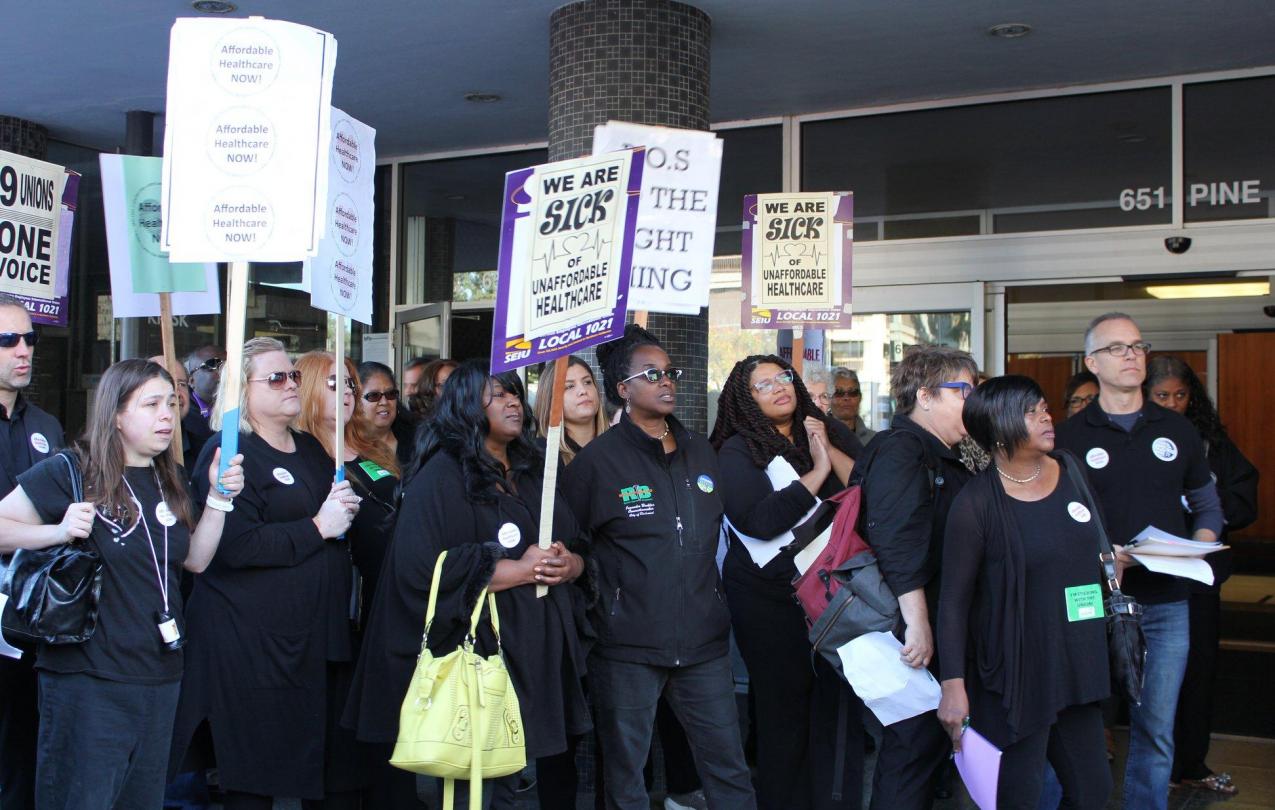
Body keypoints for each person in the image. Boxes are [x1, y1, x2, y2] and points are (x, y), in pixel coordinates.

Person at [345, 362, 592, 810]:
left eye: (515, 393)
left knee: (524, 781)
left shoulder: (536, 469)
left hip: (535, 652)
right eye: (497, 395)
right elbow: (422, 570)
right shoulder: (441, 476)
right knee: (476, 788)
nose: (513, 401)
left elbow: (576, 544)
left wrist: (569, 564)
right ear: (464, 405)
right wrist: (521, 570)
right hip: (476, 656)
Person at [0, 358, 244, 809]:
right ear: (115, 413)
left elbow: (195, 561)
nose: (168, 415)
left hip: (159, 676)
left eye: (171, 403)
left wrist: (218, 499)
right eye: (151, 404)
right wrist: (55, 532)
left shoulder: (166, 478)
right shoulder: (72, 471)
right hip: (88, 679)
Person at [563, 324, 757, 810]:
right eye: (653, 374)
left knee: (728, 770)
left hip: (704, 645)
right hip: (628, 648)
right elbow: (571, 544)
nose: (667, 381)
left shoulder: (700, 451)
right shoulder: (597, 463)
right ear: (624, 390)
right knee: (625, 779)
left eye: (671, 371)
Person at [170, 338, 362, 809]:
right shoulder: (229, 452)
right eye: (275, 377)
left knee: (305, 768)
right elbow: (235, 546)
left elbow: (329, 525)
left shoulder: (314, 452)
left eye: (293, 375)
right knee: (251, 780)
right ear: (242, 390)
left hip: (306, 641)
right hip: (248, 644)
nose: (290, 384)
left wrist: (342, 511)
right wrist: (318, 527)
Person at [1054, 313, 1223, 810]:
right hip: (1089, 599)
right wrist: (1099, 555)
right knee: (1078, 715)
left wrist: (1201, 543)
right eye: (1117, 348)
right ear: (1092, 362)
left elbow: (1207, 504)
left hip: (1167, 599)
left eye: (1137, 346)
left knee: (1156, 726)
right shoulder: (1067, 437)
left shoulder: (1177, 430)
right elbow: (1048, 518)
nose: (1132, 356)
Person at [936, 375, 1112, 808]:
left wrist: (1112, 563)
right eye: (1031, 413)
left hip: (1077, 658)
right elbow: (954, 602)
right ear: (999, 428)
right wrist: (953, 686)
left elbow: (1094, 547)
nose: (1046, 417)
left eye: (1044, 408)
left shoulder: (1070, 469)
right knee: (1018, 798)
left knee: (1094, 793)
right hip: (1014, 671)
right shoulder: (976, 503)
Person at [709, 354, 864, 810]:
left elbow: (867, 484)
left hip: (832, 593)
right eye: (763, 385)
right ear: (744, 398)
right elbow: (758, 521)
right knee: (785, 712)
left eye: (782, 378)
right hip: (768, 600)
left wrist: (825, 447)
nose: (779, 387)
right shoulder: (737, 450)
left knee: (833, 708)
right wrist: (815, 474)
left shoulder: (823, 429)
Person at [858, 345, 978, 810]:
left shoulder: (948, 453)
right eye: (961, 391)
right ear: (924, 396)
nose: (972, 401)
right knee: (911, 751)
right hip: (907, 632)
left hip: (932, 622)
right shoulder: (902, 450)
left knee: (927, 753)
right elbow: (897, 540)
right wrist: (919, 622)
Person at [1145, 356, 1257, 796]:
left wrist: (1201, 502)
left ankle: (1190, 761)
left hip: (1198, 577)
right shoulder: (1134, 437)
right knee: (1151, 675)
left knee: (1199, 669)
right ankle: (1157, 768)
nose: (1173, 403)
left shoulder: (1208, 441)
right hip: (1146, 575)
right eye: (1162, 395)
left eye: (1180, 395)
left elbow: (1244, 496)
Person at [0, 293, 65, 810]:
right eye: (8, 340)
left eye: (30, 339)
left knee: (29, 743)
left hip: (35, 612)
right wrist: (56, 532)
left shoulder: (45, 426)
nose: (24, 350)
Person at [357, 360, 415, 470]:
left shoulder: (416, 439)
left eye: (391, 394)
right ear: (356, 401)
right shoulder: (345, 446)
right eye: (374, 395)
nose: (384, 402)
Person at [182, 346, 225, 471]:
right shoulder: (183, 417)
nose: (223, 371)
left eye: (227, 365)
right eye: (213, 364)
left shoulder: (242, 411)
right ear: (191, 380)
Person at [829, 367, 875, 444]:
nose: (846, 398)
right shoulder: (818, 437)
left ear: (860, 397)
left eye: (852, 392)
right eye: (839, 392)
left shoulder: (874, 440)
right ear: (828, 398)